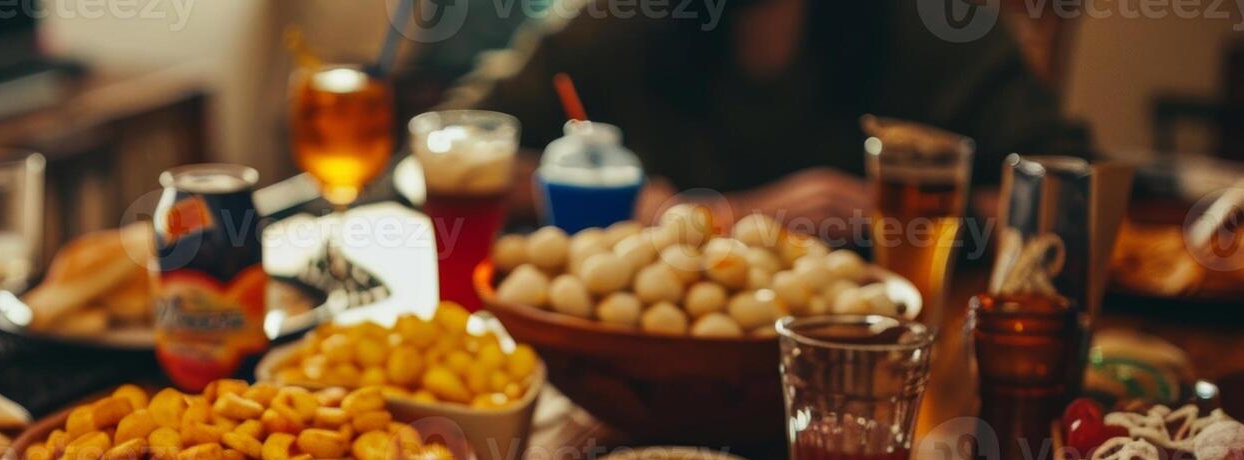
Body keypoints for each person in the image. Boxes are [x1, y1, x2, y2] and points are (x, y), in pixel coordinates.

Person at [447, 0, 1092, 227]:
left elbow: (1077, 196)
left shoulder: (940, 33)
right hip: (647, 393)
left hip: (897, 392)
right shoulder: (619, 24)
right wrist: (651, 209)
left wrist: (898, 212)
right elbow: (451, 146)